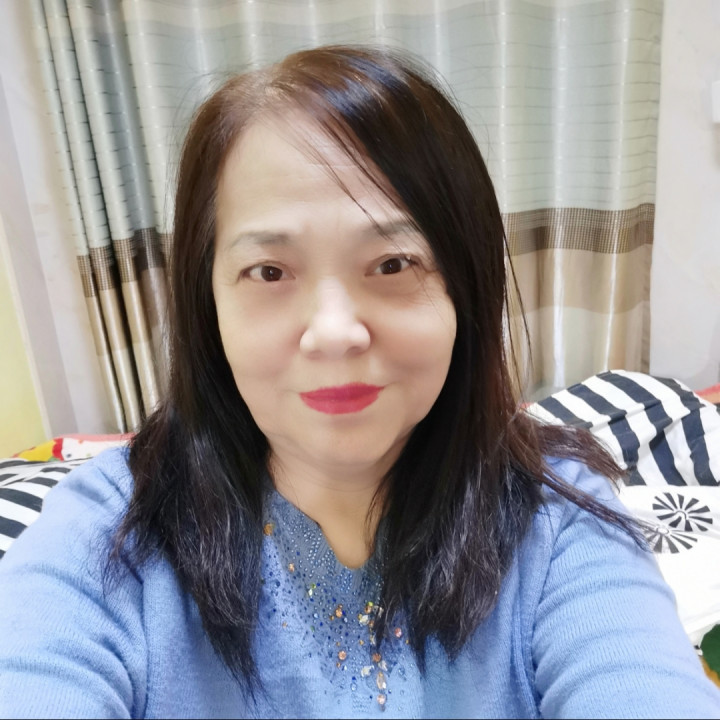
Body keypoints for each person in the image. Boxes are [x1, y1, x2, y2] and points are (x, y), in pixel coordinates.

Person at [0, 44, 718, 719]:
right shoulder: (107, 536)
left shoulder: (557, 519)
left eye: (393, 263)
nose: (335, 331)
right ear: (207, 302)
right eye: (269, 271)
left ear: (465, 288)